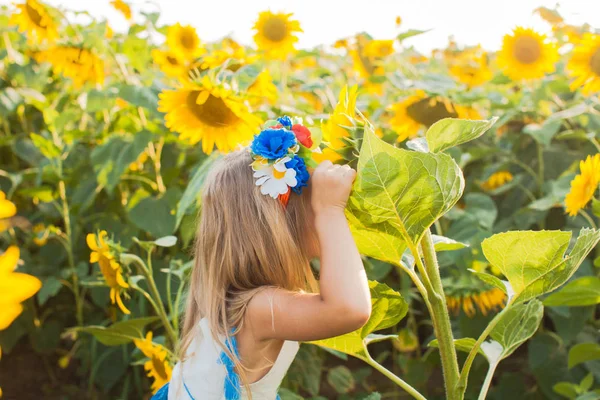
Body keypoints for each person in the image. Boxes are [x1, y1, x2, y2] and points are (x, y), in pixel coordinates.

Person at [163, 116, 372, 400]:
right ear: (281, 227)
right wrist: (330, 210)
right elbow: (349, 310)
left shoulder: (238, 303)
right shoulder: (259, 309)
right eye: (314, 200)